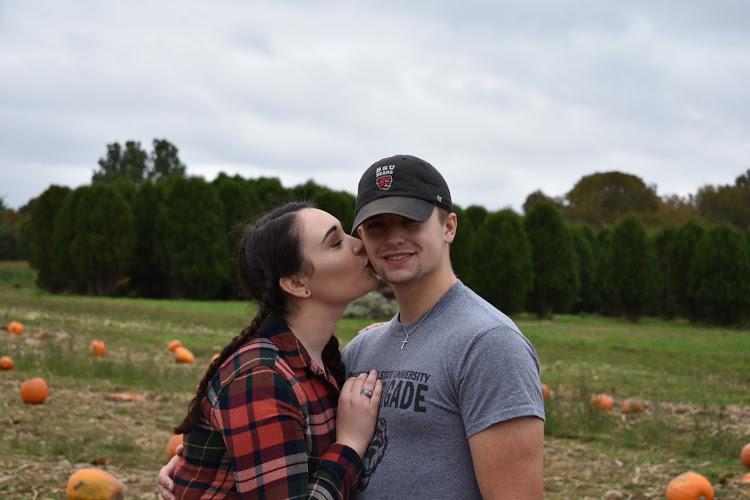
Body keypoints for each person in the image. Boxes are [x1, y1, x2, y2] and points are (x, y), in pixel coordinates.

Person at [162, 155, 545, 499]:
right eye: (376, 226)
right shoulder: (358, 353)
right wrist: (190, 470)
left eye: (409, 220)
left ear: (448, 227)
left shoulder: (490, 344)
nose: (391, 238)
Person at [161, 202, 384, 499]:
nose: (359, 245)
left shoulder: (321, 361)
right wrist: (350, 445)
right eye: (336, 242)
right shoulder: (261, 376)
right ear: (297, 283)